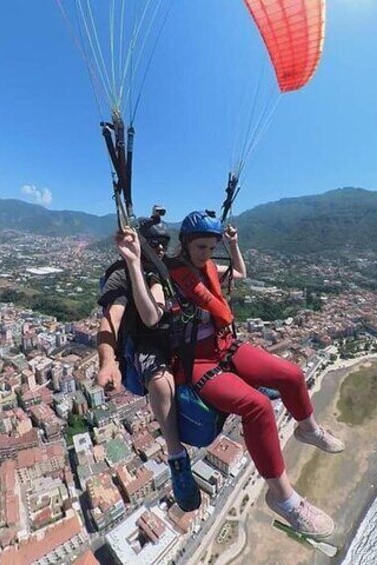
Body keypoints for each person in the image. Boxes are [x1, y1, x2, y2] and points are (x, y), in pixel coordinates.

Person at [165, 210, 345, 539]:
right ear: (186, 244)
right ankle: (284, 498)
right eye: (201, 248)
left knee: (291, 374)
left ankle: (309, 429)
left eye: (210, 248)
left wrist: (233, 245)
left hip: (226, 345)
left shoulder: (210, 269)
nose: (206, 254)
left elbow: (241, 272)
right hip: (198, 362)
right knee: (257, 406)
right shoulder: (169, 279)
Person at [96, 214, 201, 512]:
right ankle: (177, 458)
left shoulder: (168, 271)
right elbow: (111, 321)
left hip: (177, 335)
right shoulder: (122, 275)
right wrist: (107, 360)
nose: (160, 249)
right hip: (147, 343)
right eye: (154, 244)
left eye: (164, 244)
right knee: (159, 379)